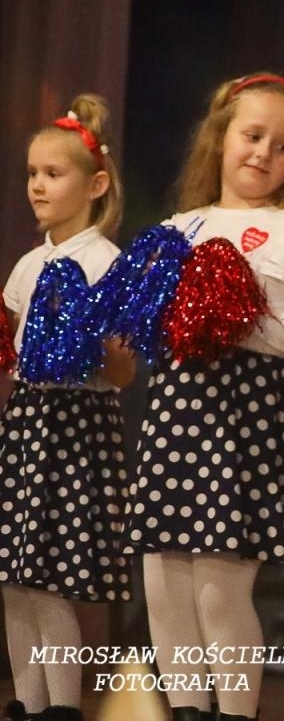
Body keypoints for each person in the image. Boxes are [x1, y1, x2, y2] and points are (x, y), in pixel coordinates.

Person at [125, 73, 284, 721]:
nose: (264, 154)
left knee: (219, 589)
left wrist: (244, 314)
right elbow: (140, 340)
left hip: (253, 415)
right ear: (220, 137)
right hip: (179, 411)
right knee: (163, 587)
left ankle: (235, 712)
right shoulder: (177, 228)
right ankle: (187, 710)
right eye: (253, 136)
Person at [0, 97, 136, 721]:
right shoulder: (30, 265)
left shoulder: (105, 263)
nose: (37, 185)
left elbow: (125, 370)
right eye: (32, 173)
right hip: (29, 422)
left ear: (96, 184)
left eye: (53, 174)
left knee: (54, 579)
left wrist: (99, 351)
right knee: (15, 578)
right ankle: (26, 703)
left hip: (77, 428)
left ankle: (63, 707)